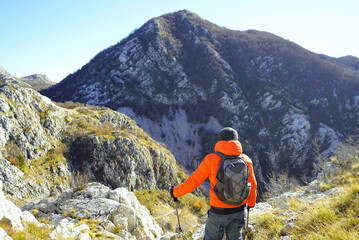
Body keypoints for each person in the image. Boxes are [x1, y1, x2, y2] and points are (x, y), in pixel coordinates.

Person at [170, 127, 257, 240]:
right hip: (239, 209)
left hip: (218, 212)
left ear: (220, 141)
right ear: (237, 141)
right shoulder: (246, 160)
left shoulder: (211, 159)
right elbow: (252, 185)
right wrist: (251, 203)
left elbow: (194, 181)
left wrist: (175, 192)